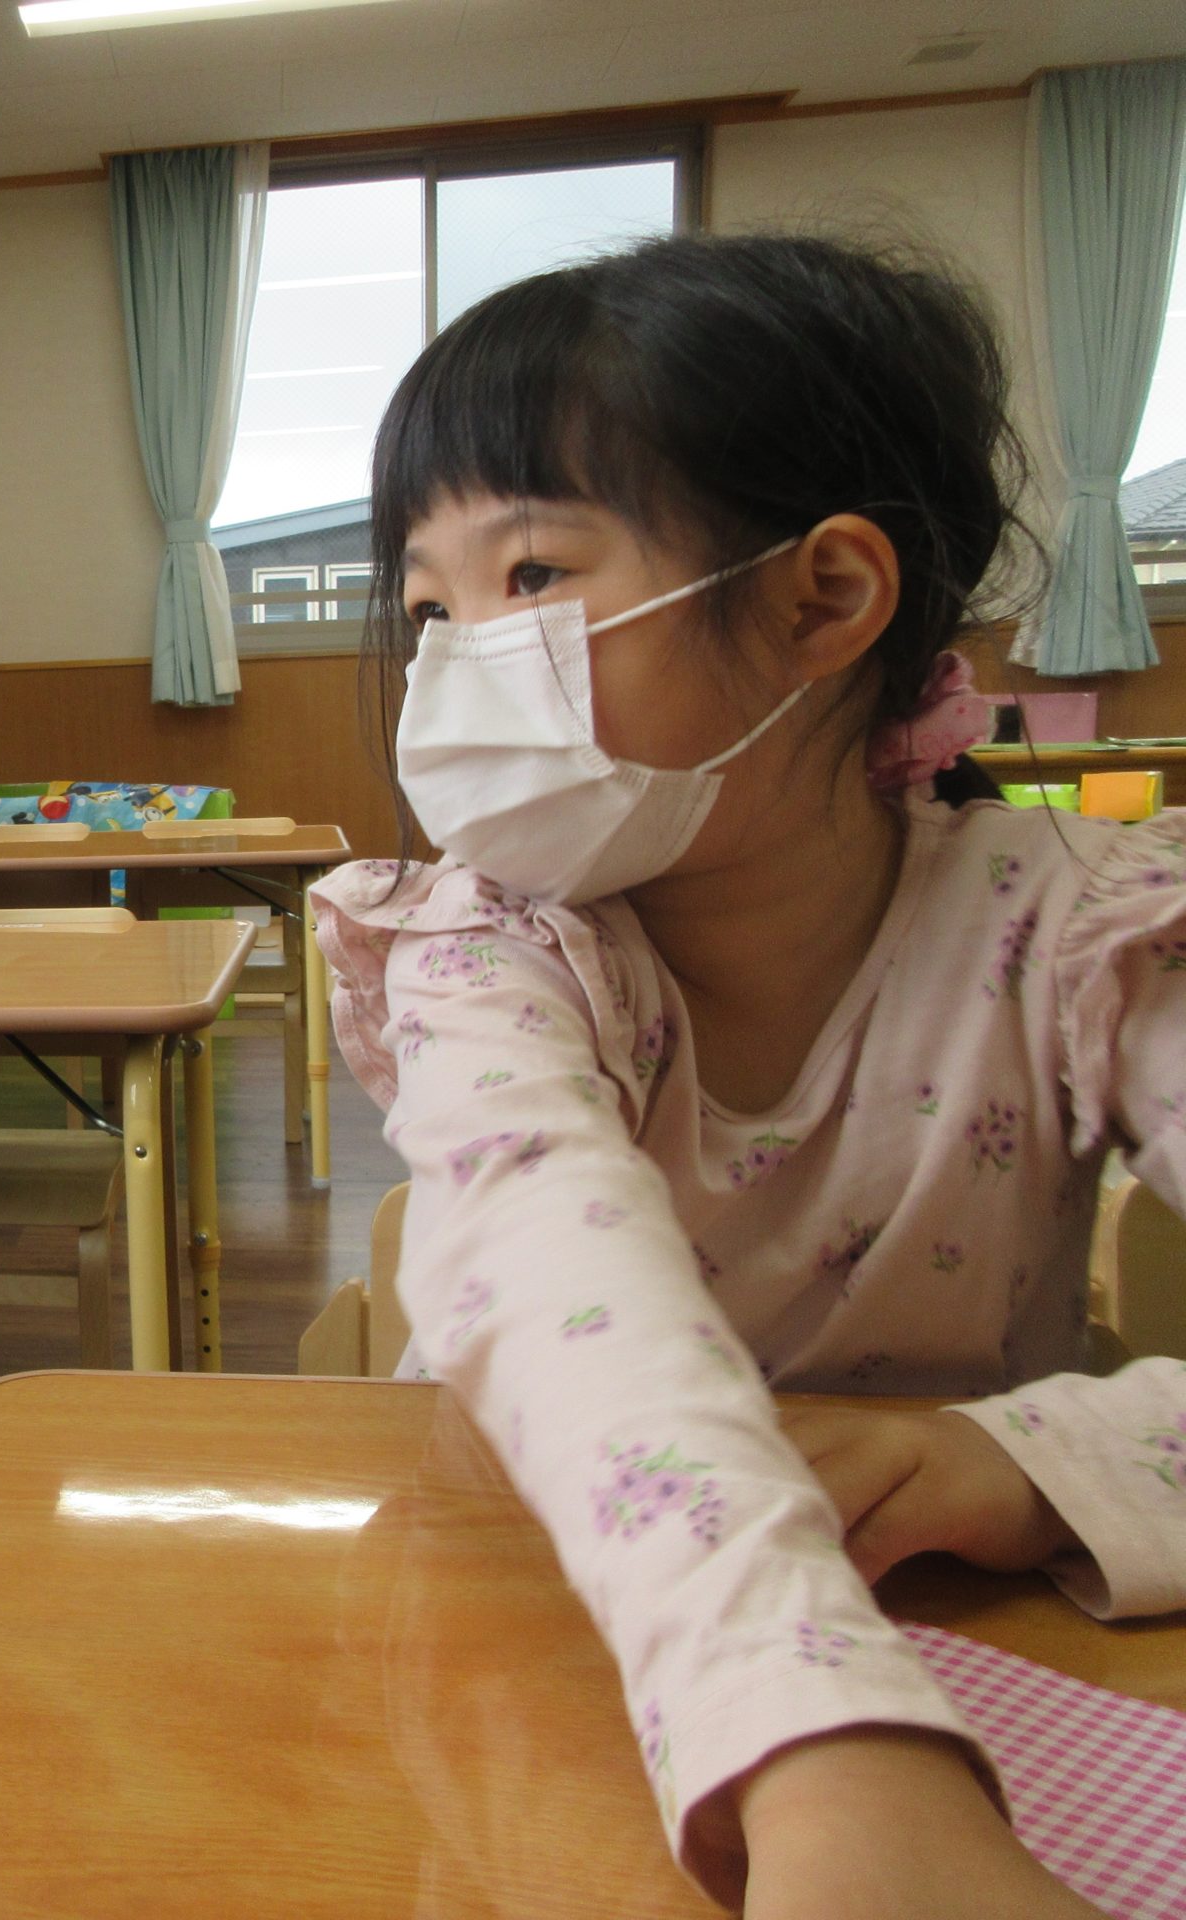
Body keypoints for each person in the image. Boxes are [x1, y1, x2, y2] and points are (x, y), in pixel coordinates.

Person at [313, 229, 1186, 1918]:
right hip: (534, 1624)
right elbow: (549, 1264)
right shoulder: (494, 950)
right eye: (429, 604)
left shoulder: (1080, 932)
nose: (453, 660)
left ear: (822, 600)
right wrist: (821, 1738)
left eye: (533, 578)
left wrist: (1029, 1465)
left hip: (963, 1622)